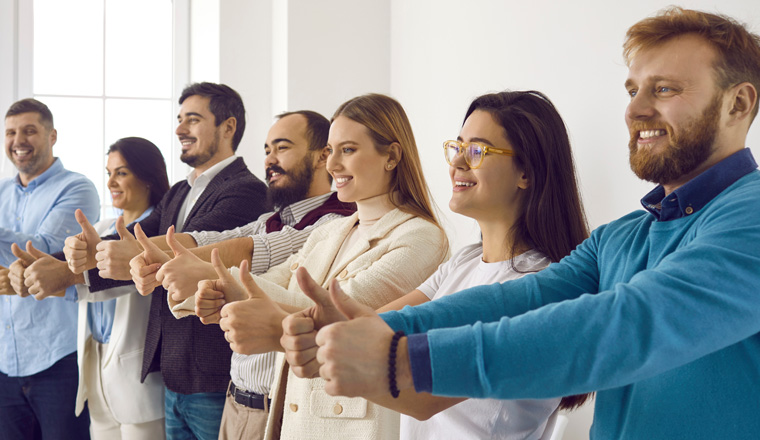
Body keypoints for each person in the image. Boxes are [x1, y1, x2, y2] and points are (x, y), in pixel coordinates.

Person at [307, 7, 760, 440]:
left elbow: (629, 323)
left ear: (737, 103)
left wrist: (404, 360)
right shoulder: (620, 237)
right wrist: (380, 327)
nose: (635, 110)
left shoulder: (751, 215)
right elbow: (521, 299)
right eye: (632, 91)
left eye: (663, 89)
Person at [282, 91, 592, 439]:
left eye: (477, 151)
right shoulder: (465, 261)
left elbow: (421, 395)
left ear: (527, 173)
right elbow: (386, 325)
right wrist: (334, 325)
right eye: (457, 147)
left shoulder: (543, 287)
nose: (457, 162)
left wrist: (307, 334)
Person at [190, 93, 448, 440]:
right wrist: (223, 289)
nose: (332, 165)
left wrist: (232, 286)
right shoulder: (332, 230)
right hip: (294, 419)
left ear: (392, 156)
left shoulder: (421, 238)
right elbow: (272, 281)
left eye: (348, 150)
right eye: (331, 150)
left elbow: (333, 315)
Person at [128, 110, 355, 440]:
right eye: (266, 150)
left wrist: (165, 259)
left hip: (279, 405)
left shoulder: (336, 222)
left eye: (282, 147)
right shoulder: (270, 217)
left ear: (322, 157)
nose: (269, 160)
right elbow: (217, 238)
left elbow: (254, 247)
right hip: (238, 398)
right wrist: (152, 253)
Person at [63, 82, 268, 440]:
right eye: (179, 120)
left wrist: (108, 252)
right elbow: (138, 237)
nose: (179, 130)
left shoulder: (247, 188)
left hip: (214, 373)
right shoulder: (180, 191)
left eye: (192, 119)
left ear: (228, 127)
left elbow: (186, 251)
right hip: (173, 374)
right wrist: (90, 251)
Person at [10, 138, 171, 439]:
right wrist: (35, 269)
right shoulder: (103, 227)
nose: (111, 181)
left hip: (138, 380)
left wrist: (60, 276)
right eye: (109, 172)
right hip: (96, 371)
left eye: (121, 173)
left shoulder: (161, 236)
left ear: (148, 176)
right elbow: (70, 275)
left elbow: (115, 280)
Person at [0, 98, 99, 439]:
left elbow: (43, 252)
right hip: (4, 361)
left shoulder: (77, 188)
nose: (18, 141)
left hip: (59, 361)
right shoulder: (0, 192)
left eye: (29, 130)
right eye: (11, 132)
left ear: (52, 135)